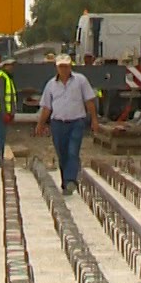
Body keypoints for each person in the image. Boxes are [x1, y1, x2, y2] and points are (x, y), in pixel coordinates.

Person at [35, 54, 98, 192]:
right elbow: (46, 107)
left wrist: (94, 120)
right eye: (61, 67)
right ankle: (66, 181)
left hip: (76, 122)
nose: (64, 69)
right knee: (62, 153)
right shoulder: (51, 85)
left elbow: (89, 101)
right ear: (57, 67)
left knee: (72, 151)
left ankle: (70, 180)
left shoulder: (80, 81)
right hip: (58, 124)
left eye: (66, 66)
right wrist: (40, 124)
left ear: (70, 66)